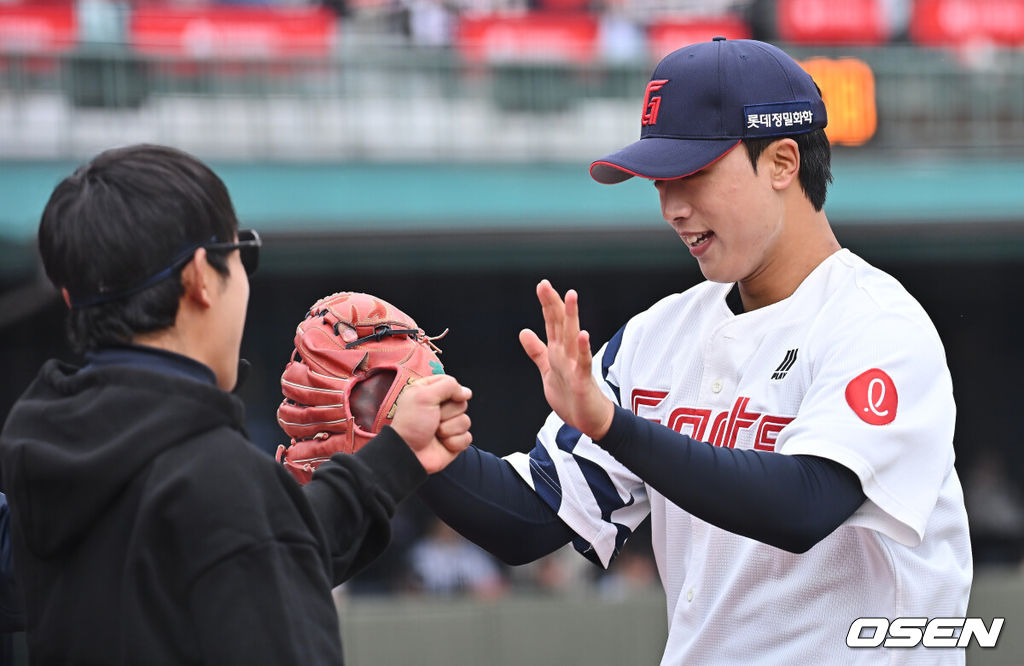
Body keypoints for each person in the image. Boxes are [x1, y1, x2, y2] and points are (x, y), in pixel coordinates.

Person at [417, 38, 972, 663]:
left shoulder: (876, 323)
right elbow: (530, 519)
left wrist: (611, 427)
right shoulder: (658, 336)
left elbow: (805, 506)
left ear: (783, 162)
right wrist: (409, 445)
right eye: (661, 182)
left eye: (695, 174)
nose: (673, 208)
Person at [0, 143, 473, 665]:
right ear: (202, 276)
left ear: (70, 296)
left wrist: (392, 460)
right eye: (241, 252)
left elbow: (219, 550)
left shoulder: (43, 458)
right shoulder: (218, 481)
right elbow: (239, 539)